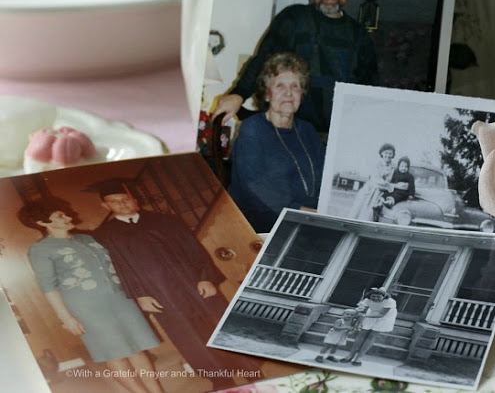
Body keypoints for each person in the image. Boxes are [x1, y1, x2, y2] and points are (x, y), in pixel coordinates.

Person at [88, 180, 264, 384]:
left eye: (126, 199)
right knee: (188, 336)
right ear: (106, 206)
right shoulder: (105, 235)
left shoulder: (165, 221)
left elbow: (195, 250)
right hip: (158, 293)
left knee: (220, 325)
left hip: (194, 284)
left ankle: (251, 371)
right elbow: (119, 267)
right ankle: (220, 381)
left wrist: (206, 277)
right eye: (114, 201)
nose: (122, 203)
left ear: (134, 200)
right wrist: (139, 294)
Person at [18, 197, 164, 393]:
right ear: (42, 222)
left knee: (138, 347)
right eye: (60, 215)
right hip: (87, 308)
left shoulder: (87, 238)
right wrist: (66, 318)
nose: (68, 217)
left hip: (120, 299)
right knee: (115, 354)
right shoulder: (40, 249)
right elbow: (48, 287)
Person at [214, 0, 378, 133]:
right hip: (289, 132)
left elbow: (369, 91)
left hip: (337, 137)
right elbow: (263, 60)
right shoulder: (294, 19)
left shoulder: (360, 36)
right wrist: (238, 94)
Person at [228, 52, 325, 233]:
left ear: (301, 94)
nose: (288, 92)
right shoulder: (252, 129)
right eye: (280, 86)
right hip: (259, 229)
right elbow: (257, 189)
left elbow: (324, 179)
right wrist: (307, 214)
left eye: (295, 86)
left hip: (305, 224)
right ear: (267, 94)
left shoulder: (308, 131)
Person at [347, 143, 407, 221]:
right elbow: (377, 181)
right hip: (371, 191)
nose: (388, 155)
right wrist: (395, 186)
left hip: (384, 192)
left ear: (393, 155)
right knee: (363, 212)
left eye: (390, 153)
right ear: (382, 153)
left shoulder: (394, 166)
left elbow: (397, 178)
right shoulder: (376, 164)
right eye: (386, 153)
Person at [339, 287, 397, 366]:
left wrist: (365, 316)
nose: (375, 298)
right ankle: (350, 355)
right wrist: (357, 315)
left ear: (384, 296)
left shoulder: (390, 301)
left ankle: (359, 358)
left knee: (372, 336)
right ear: (370, 296)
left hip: (384, 317)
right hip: (371, 313)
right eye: (373, 296)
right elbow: (361, 310)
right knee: (362, 334)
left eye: (378, 297)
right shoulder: (366, 300)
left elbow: (381, 314)